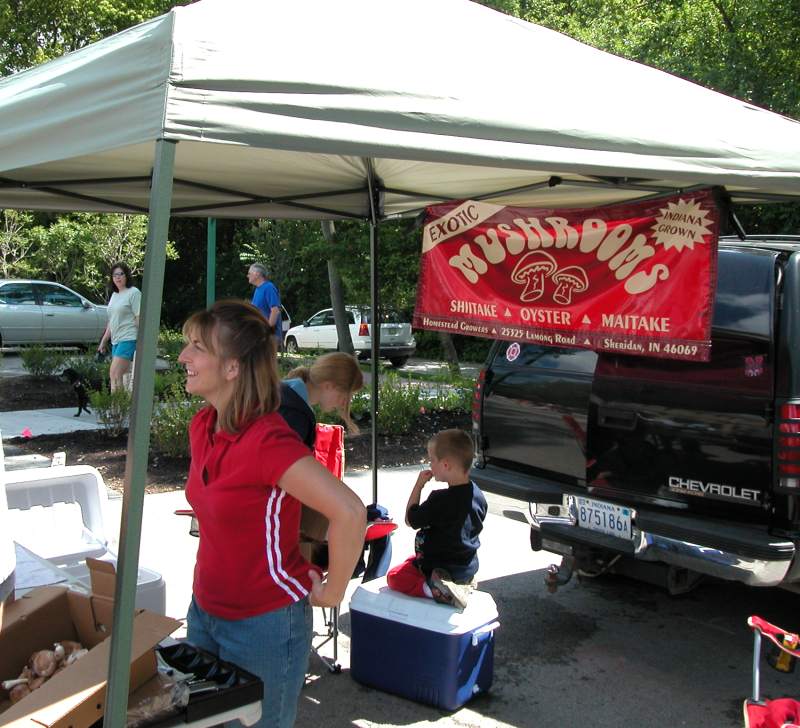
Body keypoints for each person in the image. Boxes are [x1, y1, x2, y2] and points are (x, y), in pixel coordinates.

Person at [178, 300, 366, 728]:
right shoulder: (202, 426)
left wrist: (333, 592)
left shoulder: (267, 439)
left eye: (196, 347)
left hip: (264, 625)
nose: (183, 357)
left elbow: (351, 512)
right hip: (205, 611)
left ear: (232, 368)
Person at [386, 429, 487, 610]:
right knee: (411, 560)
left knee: (395, 576)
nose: (430, 465)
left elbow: (410, 519)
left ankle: (434, 590)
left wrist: (418, 486)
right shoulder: (478, 495)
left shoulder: (440, 500)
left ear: (446, 465)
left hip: (442, 567)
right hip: (466, 566)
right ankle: (461, 584)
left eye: (432, 460)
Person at [280, 352, 364, 447]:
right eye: (345, 397)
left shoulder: (287, 397)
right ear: (329, 386)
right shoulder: (295, 415)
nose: (343, 404)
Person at [97, 262, 141, 392]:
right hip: (116, 340)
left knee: (115, 374)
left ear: (126, 275)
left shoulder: (134, 293)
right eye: (115, 275)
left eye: (121, 274)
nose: (118, 277)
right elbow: (112, 320)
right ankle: (119, 409)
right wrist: (103, 341)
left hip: (128, 337)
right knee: (116, 377)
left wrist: (141, 341)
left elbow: (139, 317)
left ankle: (117, 409)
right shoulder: (115, 295)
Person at [247, 263, 282, 338]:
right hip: (260, 335)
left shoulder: (269, 287)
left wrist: (268, 330)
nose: (247, 276)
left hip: (269, 337)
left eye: (249, 273)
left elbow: (275, 311)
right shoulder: (257, 289)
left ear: (257, 274)